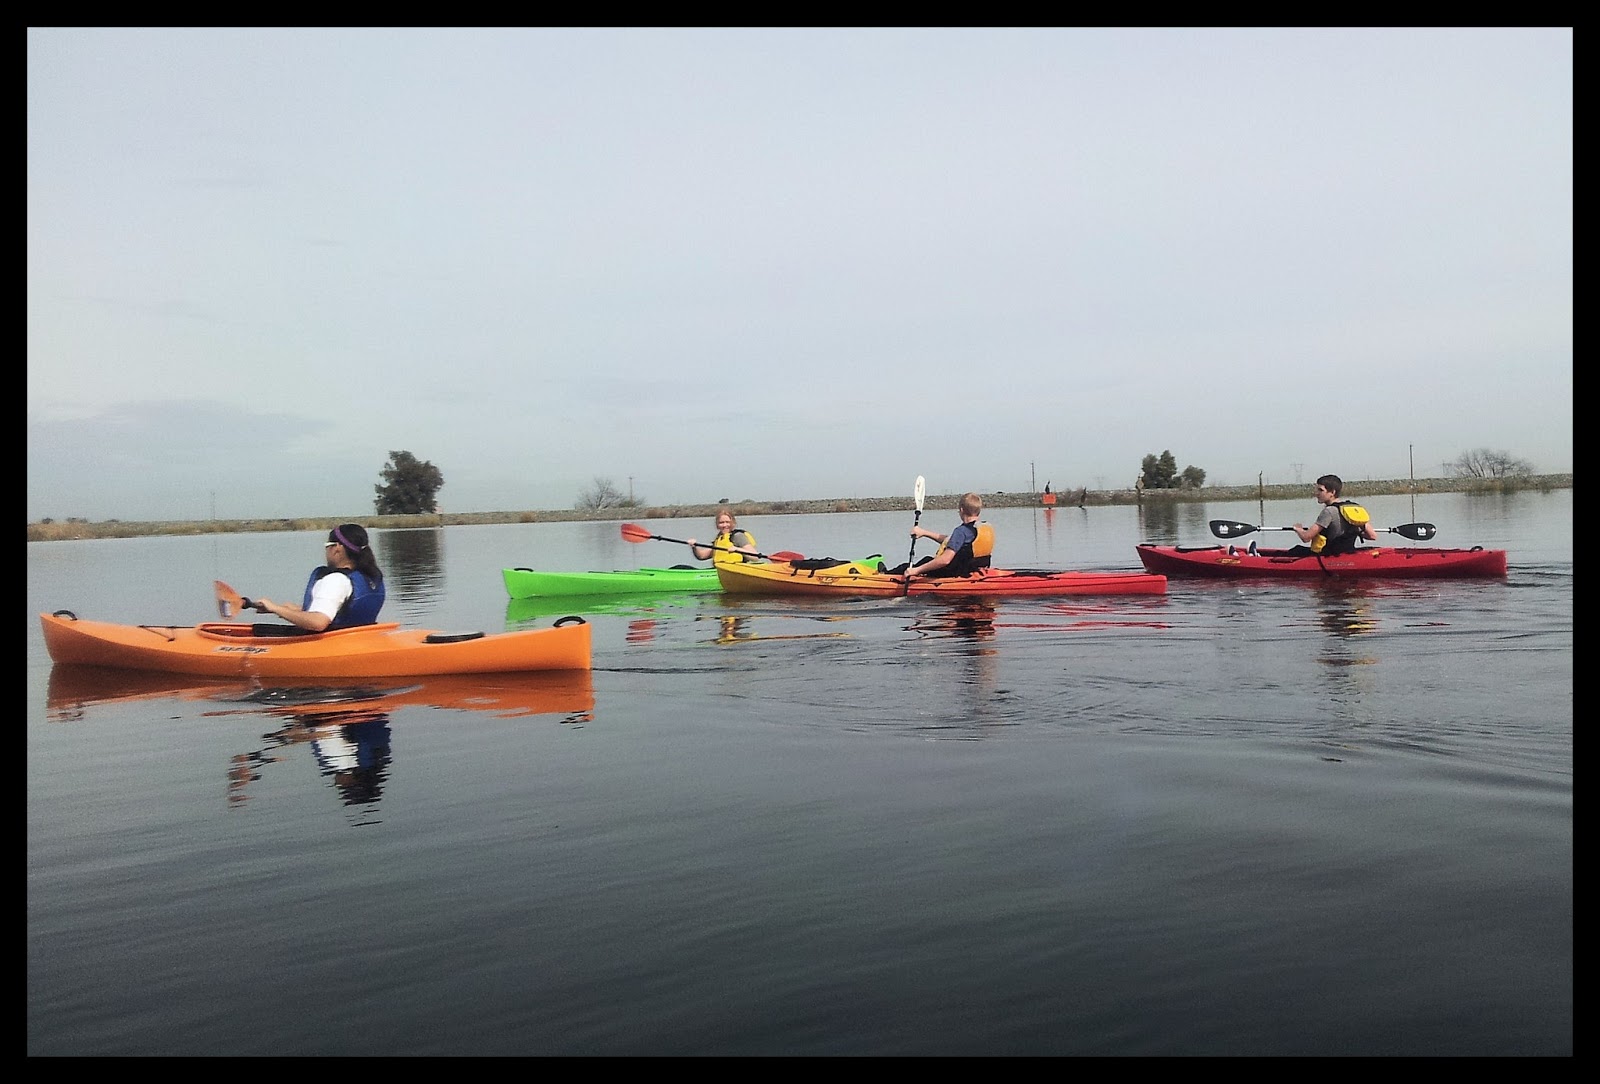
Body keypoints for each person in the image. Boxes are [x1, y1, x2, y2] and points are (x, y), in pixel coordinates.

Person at [251, 523, 387, 631]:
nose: (326, 550)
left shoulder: (335, 580)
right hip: (360, 640)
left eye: (327, 545)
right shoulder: (371, 577)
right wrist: (289, 610)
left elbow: (318, 623)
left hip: (330, 646)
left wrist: (275, 608)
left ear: (337, 548)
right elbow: (339, 609)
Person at [882, 492, 991, 579]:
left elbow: (945, 560)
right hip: (972, 569)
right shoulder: (979, 528)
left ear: (961, 510)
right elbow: (953, 541)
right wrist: (924, 533)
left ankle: (884, 576)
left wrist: (916, 571)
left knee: (918, 563)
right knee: (926, 561)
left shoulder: (961, 531)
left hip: (953, 572)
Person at [1279, 475, 1379, 557]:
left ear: (1332, 492)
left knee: (1295, 550)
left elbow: (1306, 538)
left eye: (1320, 490)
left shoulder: (1328, 511)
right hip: (1348, 552)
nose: (1316, 493)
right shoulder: (1354, 509)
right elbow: (1372, 536)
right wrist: (1354, 532)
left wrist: (1298, 529)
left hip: (1330, 556)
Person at [686, 510, 760, 566]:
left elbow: (755, 557)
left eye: (727, 522)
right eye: (721, 523)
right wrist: (694, 547)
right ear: (717, 525)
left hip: (734, 571)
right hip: (719, 571)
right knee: (682, 567)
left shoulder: (737, 536)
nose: (725, 525)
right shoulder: (720, 538)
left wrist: (737, 549)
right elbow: (701, 556)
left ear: (732, 523)